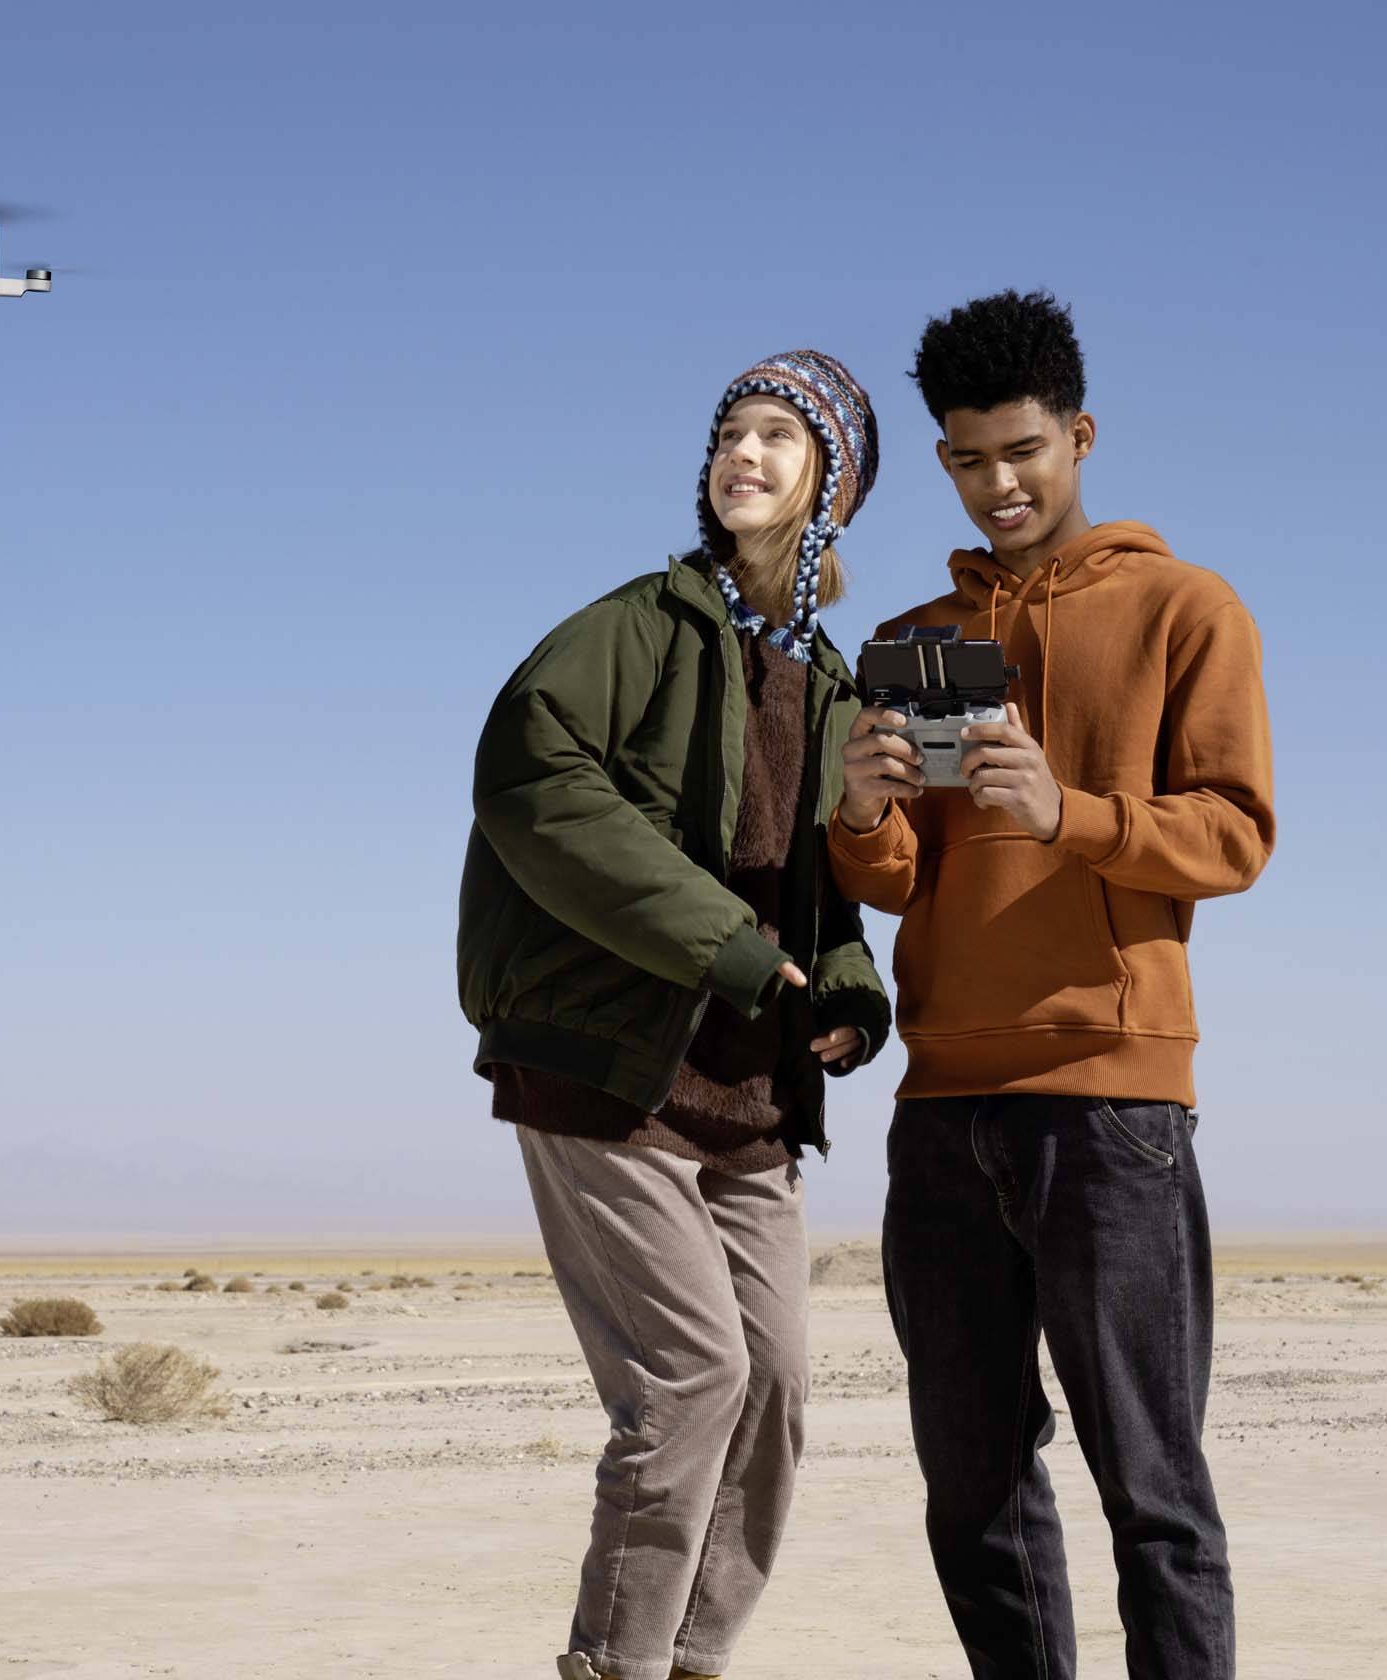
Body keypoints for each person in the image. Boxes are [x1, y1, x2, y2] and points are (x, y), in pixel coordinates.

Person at [829, 291, 1275, 1679]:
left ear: (1079, 436)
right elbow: (901, 879)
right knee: (969, 1491)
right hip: (941, 1107)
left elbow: (1236, 835)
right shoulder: (912, 635)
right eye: (966, 459)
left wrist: (1070, 814)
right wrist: (859, 810)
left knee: (1152, 1492)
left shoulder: (1186, 608)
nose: (999, 484)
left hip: (1109, 1107)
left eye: (1022, 450)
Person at [458, 351, 896, 1680]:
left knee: (773, 1400)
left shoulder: (829, 683)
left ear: (836, 488)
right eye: (732, 434)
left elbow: (811, 887)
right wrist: (723, 945)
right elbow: (529, 775)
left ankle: (689, 1663)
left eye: (780, 437)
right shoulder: (633, 628)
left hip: (750, 1100)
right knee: (691, 1384)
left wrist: (851, 990)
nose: (745, 455)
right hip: (606, 1067)